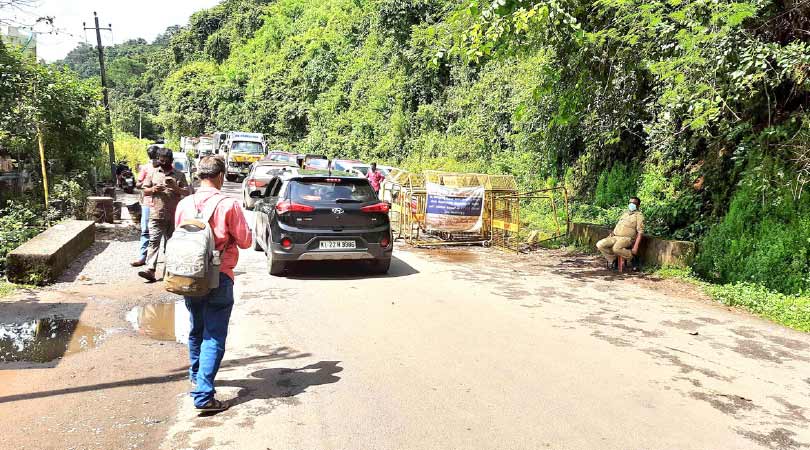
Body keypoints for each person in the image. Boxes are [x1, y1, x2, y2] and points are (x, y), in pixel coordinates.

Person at [174, 156, 252, 412]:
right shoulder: (228, 204)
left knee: (196, 329)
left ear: (199, 175)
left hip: (189, 276)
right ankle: (204, 396)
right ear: (221, 176)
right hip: (220, 277)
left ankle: (197, 379)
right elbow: (245, 241)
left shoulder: (184, 203)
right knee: (213, 335)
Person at [138, 148, 190, 282]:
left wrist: (175, 188)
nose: (163, 163)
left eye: (165, 161)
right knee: (154, 241)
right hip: (156, 214)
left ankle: (170, 271)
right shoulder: (153, 173)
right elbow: (144, 190)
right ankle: (150, 269)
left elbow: (187, 192)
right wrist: (153, 189)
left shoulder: (179, 175)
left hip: (174, 216)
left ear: (171, 161)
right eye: (161, 161)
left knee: (171, 244)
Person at [131, 146, 161, 267]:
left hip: (162, 203)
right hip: (148, 203)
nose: (153, 160)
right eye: (152, 157)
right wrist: (148, 184)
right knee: (145, 230)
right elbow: (137, 184)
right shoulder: (145, 168)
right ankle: (142, 257)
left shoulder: (164, 169)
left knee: (165, 232)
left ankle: (167, 259)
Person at [596, 196, 644, 271]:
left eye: (634, 203)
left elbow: (640, 232)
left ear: (638, 205)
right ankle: (614, 260)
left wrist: (635, 246)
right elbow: (618, 226)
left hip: (627, 239)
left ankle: (633, 258)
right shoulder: (625, 214)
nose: (631, 204)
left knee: (616, 248)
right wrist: (611, 235)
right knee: (600, 244)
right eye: (630, 202)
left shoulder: (639, 216)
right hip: (615, 237)